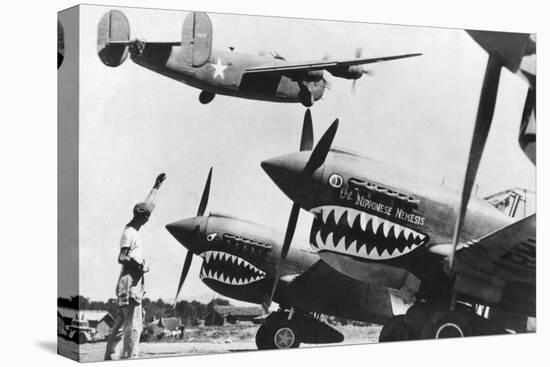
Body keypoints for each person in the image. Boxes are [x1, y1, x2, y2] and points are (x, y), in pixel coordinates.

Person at [105, 173, 166, 360]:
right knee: (134, 325)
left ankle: (111, 356)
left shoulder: (131, 230)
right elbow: (122, 257)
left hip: (128, 283)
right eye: (148, 216)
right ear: (144, 217)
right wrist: (139, 266)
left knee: (122, 324)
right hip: (130, 283)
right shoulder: (130, 234)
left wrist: (156, 187)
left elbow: (147, 206)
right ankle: (130, 358)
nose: (149, 218)